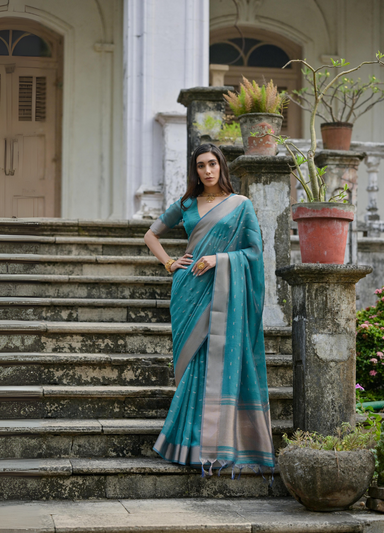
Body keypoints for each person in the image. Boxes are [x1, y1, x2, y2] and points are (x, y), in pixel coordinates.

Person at [143, 143, 275, 476]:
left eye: (212, 164)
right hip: (189, 291)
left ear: (222, 167)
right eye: (201, 165)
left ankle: (208, 445)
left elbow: (254, 252)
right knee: (191, 368)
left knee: (214, 363)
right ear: (195, 171)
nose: (207, 170)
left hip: (224, 291)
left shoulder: (240, 206)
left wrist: (219, 259)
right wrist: (170, 262)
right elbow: (150, 234)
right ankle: (188, 445)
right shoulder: (187, 204)